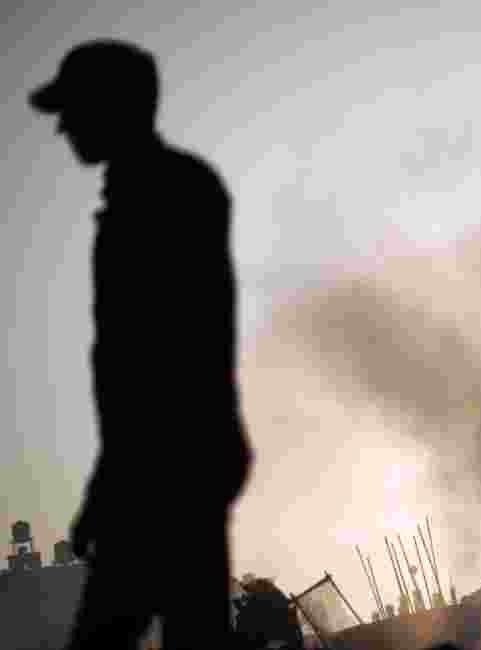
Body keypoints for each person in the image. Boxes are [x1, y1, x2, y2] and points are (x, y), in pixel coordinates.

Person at [29, 39, 252, 648]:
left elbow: (173, 352)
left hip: (167, 466)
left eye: (73, 109)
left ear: (112, 107)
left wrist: (117, 486)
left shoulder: (166, 197)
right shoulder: (154, 194)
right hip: (169, 464)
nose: (64, 127)